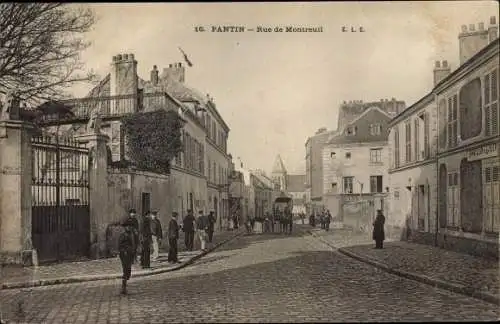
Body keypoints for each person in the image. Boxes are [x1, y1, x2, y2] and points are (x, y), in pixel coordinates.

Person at [118, 217, 137, 295]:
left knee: (128, 271)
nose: (129, 227)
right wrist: (125, 250)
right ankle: (123, 287)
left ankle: (124, 284)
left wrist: (134, 254)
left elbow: (134, 244)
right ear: (125, 227)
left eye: (130, 226)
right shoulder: (123, 235)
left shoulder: (132, 234)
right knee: (126, 270)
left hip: (130, 254)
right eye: (127, 226)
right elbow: (120, 246)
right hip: (125, 254)